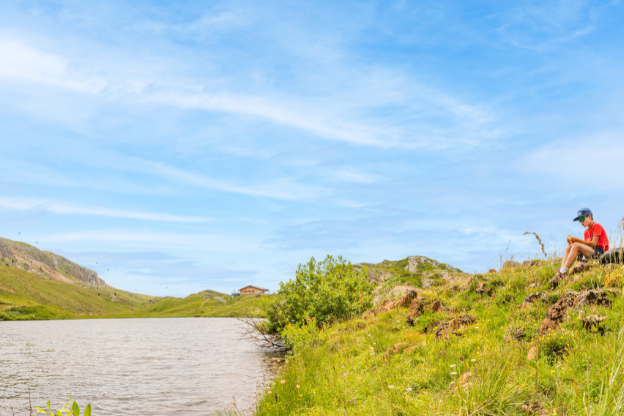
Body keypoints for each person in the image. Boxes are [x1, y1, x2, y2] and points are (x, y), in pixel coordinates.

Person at [551, 208, 609, 288]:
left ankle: (562, 273)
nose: (581, 222)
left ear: (589, 216)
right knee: (569, 246)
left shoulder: (596, 226)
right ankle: (561, 271)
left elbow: (593, 244)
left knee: (576, 245)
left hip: (600, 252)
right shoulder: (586, 232)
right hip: (590, 252)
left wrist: (577, 240)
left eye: (582, 218)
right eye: (579, 220)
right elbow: (585, 246)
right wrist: (572, 243)